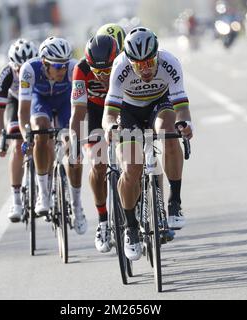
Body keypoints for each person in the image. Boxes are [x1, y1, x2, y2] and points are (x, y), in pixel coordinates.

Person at [102, 27, 194, 261]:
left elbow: (181, 106)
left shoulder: (170, 62)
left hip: (159, 104)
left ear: (157, 56)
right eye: (139, 65)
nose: (145, 69)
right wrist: (110, 127)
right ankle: (131, 227)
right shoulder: (120, 66)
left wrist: (185, 123)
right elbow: (109, 113)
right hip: (129, 111)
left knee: (168, 132)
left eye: (149, 62)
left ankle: (174, 201)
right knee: (131, 168)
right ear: (130, 62)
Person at [18, 36, 87, 235]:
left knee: (72, 149)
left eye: (64, 65)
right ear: (45, 64)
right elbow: (23, 111)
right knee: (40, 130)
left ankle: (76, 205)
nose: (62, 70)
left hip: (67, 102)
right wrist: (26, 136)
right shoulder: (29, 70)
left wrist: (76, 138)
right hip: (41, 101)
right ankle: (44, 194)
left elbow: (80, 108)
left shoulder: (74, 69)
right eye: (57, 66)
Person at [70, 28, 124, 253]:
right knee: (98, 163)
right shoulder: (81, 69)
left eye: (107, 69)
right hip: (94, 112)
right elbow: (78, 112)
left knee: (134, 153)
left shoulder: (124, 63)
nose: (102, 75)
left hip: (122, 107)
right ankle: (103, 221)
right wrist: (75, 144)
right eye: (97, 71)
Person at [0, 38, 38, 222]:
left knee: (44, 137)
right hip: (15, 102)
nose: (22, 73)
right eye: (18, 69)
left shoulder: (40, 69)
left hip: (35, 100)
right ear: (12, 66)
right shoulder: (6, 75)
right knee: (18, 144)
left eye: (26, 67)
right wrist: (0, 141)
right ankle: (17, 198)